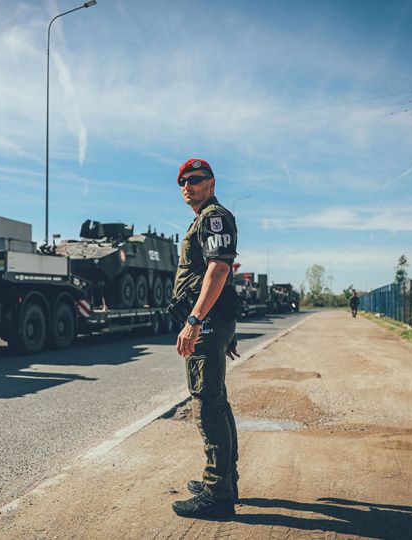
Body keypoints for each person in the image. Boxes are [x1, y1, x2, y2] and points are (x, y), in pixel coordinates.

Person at [170, 158, 239, 520]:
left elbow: (219, 268)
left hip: (208, 322)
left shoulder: (214, 216)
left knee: (208, 405)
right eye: (182, 181)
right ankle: (225, 480)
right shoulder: (202, 219)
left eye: (195, 179)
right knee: (218, 401)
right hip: (213, 321)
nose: (187, 185)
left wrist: (195, 321)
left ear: (211, 183)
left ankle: (217, 494)